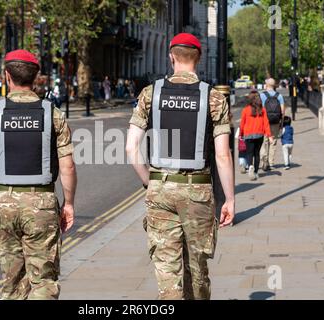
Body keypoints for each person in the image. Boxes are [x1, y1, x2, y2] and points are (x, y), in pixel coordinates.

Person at [126, 33, 235, 300]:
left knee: (166, 267)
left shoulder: (150, 94)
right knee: (197, 267)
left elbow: (131, 148)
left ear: (171, 57)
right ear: (198, 59)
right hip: (198, 189)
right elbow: (223, 155)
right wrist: (230, 198)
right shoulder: (214, 98)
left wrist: (148, 181)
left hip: (160, 188)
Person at [0, 49, 77, 300]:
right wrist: (69, 203)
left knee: (12, 281)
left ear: (7, 76)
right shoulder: (53, 114)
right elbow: (68, 167)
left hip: (4, 201)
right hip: (41, 203)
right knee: (43, 280)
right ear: (36, 78)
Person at [239, 90, 274, 181]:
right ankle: (256, 172)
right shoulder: (262, 110)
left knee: (249, 153)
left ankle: (250, 166)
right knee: (256, 153)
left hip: (248, 134)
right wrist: (269, 135)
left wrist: (241, 134)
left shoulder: (246, 110)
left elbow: (242, 123)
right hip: (259, 134)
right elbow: (266, 123)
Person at [260, 78, 285, 171]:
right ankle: (271, 163)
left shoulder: (262, 95)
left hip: (264, 122)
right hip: (275, 122)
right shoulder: (279, 96)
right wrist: (281, 123)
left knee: (264, 142)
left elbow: (259, 109)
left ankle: (264, 161)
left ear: (266, 85)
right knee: (273, 142)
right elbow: (282, 111)